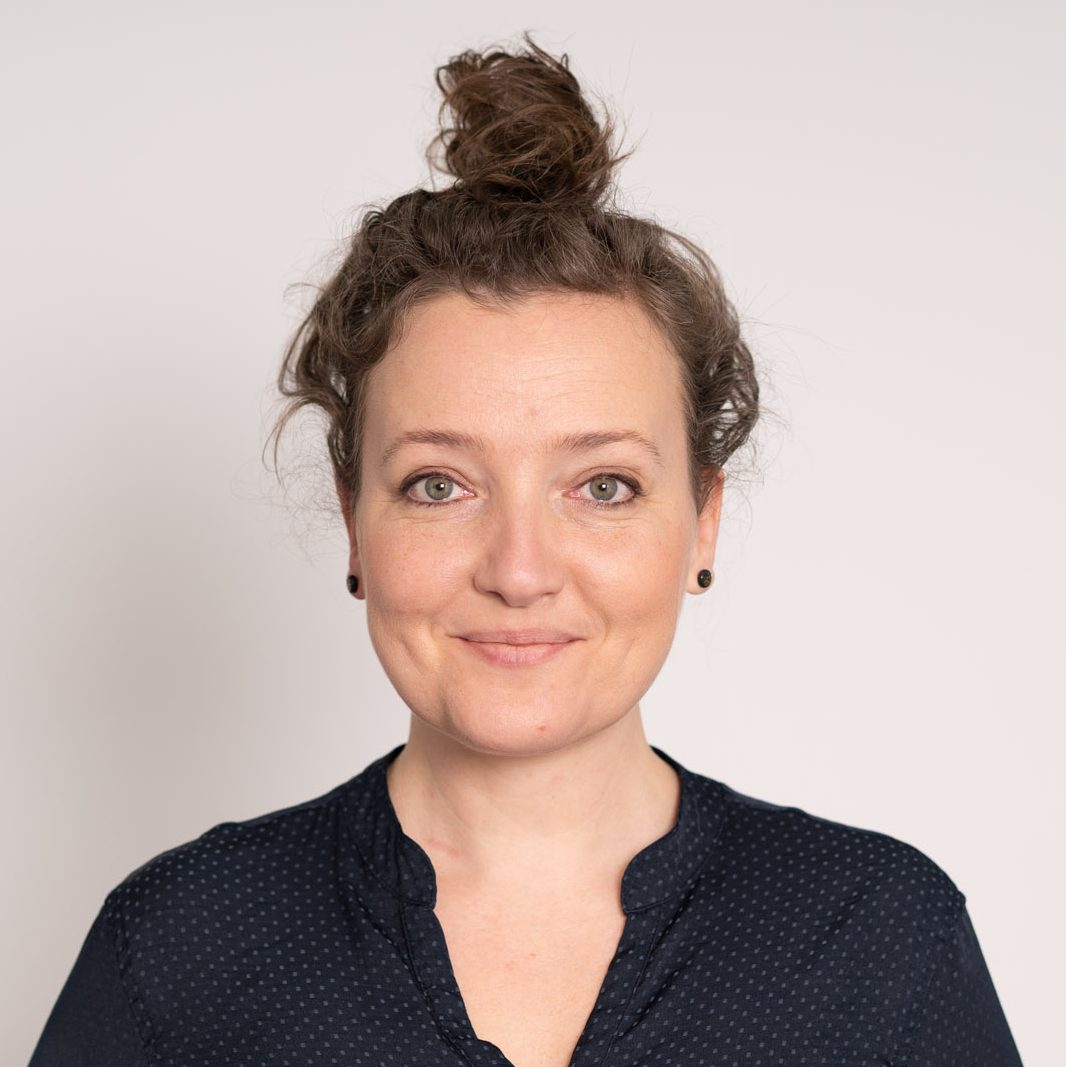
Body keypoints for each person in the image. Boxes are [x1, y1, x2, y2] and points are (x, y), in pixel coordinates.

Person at [29, 34, 1023, 1067]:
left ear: (703, 518)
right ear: (354, 518)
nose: (518, 569)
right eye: (439, 484)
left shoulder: (879, 935)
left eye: (603, 486)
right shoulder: (184, 944)